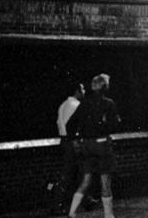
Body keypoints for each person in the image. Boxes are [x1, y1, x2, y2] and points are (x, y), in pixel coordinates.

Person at [66, 74, 120, 218]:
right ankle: (109, 215)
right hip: (102, 145)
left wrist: (75, 140)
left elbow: (70, 124)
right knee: (105, 181)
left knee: (86, 179)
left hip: (86, 145)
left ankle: (72, 212)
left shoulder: (84, 103)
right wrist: (103, 126)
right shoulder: (109, 103)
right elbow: (115, 125)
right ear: (105, 87)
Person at [54, 82, 85, 214]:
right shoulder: (76, 105)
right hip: (72, 141)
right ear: (77, 91)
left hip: (64, 140)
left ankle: (82, 200)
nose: (84, 91)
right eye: (82, 89)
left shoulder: (63, 105)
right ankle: (58, 204)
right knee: (72, 172)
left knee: (73, 171)